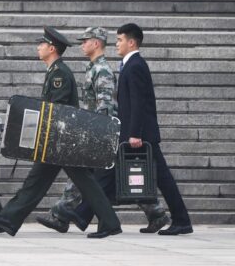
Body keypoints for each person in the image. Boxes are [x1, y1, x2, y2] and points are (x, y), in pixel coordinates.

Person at [0, 27, 121, 238]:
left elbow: (56, 111)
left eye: (41, 44)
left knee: (82, 182)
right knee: (38, 181)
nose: (38, 47)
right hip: (59, 140)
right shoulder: (55, 71)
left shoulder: (59, 73)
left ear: (51, 48)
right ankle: (9, 220)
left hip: (62, 141)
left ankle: (110, 222)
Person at [37, 27, 170, 234]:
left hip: (100, 132)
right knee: (92, 175)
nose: (82, 44)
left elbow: (106, 106)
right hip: (93, 129)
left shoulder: (103, 70)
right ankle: (62, 215)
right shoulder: (93, 68)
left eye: (85, 41)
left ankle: (63, 215)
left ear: (96, 43)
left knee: (104, 176)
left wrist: (97, 133)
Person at [68, 23, 193, 236]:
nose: (116, 44)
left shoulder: (135, 65)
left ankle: (86, 214)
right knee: (113, 175)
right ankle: (85, 214)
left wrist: (135, 133)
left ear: (131, 42)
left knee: (138, 177)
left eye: (120, 40)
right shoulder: (131, 64)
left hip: (138, 135)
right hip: (135, 133)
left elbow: (138, 103)